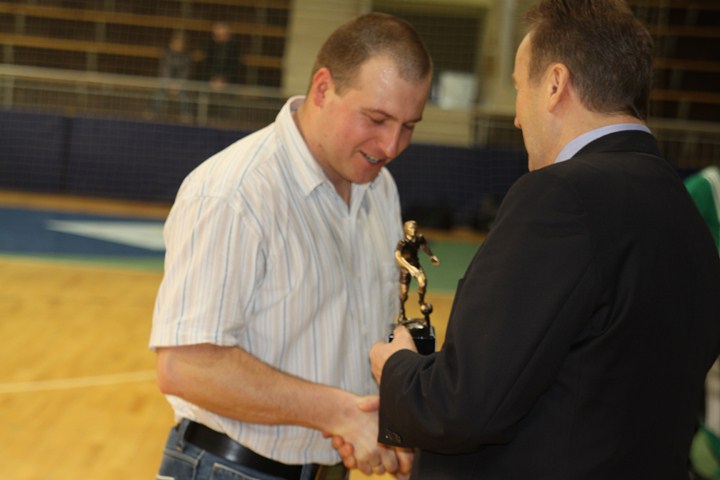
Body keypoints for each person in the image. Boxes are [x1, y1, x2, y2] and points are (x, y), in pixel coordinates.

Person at [365, 0, 720, 478]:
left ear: (554, 85)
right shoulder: (686, 211)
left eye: (518, 88)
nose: (516, 116)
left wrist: (397, 369)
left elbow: (463, 405)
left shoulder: (562, 196)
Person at [149, 12, 433, 480]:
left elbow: (364, 331)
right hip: (227, 469)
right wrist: (340, 414)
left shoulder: (379, 188)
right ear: (322, 89)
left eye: (409, 126)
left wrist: (396, 416)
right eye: (377, 119)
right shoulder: (234, 191)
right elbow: (186, 366)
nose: (391, 145)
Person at [395, 220, 439, 323]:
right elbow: (398, 256)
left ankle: (421, 302)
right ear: (406, 230)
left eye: (415, 228)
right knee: (403, 293)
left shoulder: (419, 238)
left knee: (422, 283)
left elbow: (424, 247)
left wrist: (431, 256)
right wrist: (409, 268)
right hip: (405, 268)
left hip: (416, 265)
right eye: (411, 228)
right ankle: (402, 311)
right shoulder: (403, 242)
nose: (413, 230)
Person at [150, 30, 193, 120]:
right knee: (158, 94)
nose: (178, 46)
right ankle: (153, 112)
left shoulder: (187, 57)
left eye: (180, 44)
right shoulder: (166, 55)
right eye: (176, 43)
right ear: (171, 44)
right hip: (166, 83)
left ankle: (186, 114)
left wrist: (178, 85)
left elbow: (185, 73)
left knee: (184, 96)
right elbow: (164, 71)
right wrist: (169, 84)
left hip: (180, 85)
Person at [201, 21, 241, 89]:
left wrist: (224, 79)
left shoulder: (234, 46)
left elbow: (235, 65)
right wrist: (213, 77)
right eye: (217, 28)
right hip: (211, 78)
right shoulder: (210, 44)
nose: (218, 31)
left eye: (221, 28)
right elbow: (207, 63)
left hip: (229, 79)